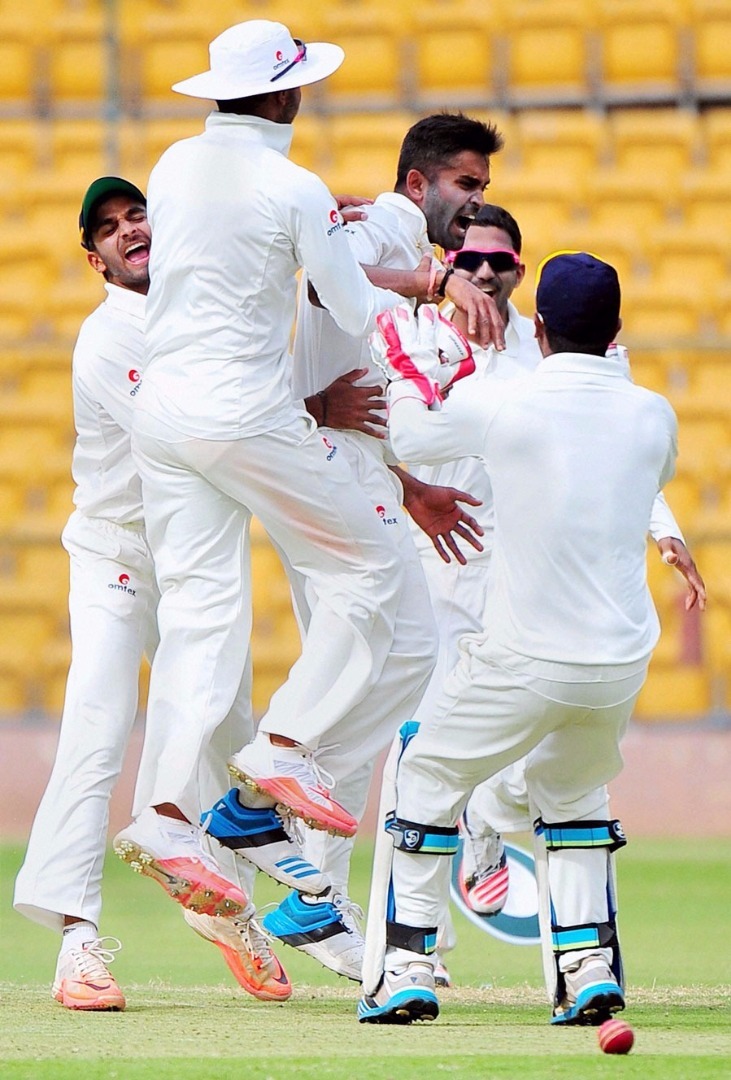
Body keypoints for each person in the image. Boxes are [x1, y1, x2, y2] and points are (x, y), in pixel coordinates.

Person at [113, 21, 504, 922]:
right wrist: (438, 283)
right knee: (371, 571)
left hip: (162, 416)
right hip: (245, 413)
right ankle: (279, 752)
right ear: (286, 96)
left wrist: (378, 254)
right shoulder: (291, 186)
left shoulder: (172, 165)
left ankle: (169, 817)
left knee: (202, 623)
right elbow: (345, 295)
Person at [358, 252, 682, 1026]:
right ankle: (587, 968)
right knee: (570, 794)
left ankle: (405, 965)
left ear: (537, 328)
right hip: (616, 663)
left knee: (428, 776)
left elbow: (404, 433)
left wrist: (409, 359)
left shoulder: (506, 397)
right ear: (616, 332)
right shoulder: (652, 413)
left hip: (524, 655)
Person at [13, 178, 290, 1010]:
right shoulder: (106, 339)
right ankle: (76, 943)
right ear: (92, 255)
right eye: (109, 227)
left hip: (196, 555)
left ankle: (228, 910)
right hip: (118, 554)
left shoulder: (202, 313)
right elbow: (199, 437)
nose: (129, 230)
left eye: (138, 216)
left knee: (225, 734)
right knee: (96, 728)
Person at [259, 113, 506, 980]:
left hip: (348, 476)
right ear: (418, 182)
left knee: (382, 682)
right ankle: (270, 806)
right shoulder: (392, 229)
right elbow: (327, 279)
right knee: (396, 670)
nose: (474, 202)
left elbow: (358, 373)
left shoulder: (396, 242)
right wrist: (426, 280)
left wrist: (409, 486)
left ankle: (311, 892)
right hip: (323, 480)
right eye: (465, 185)